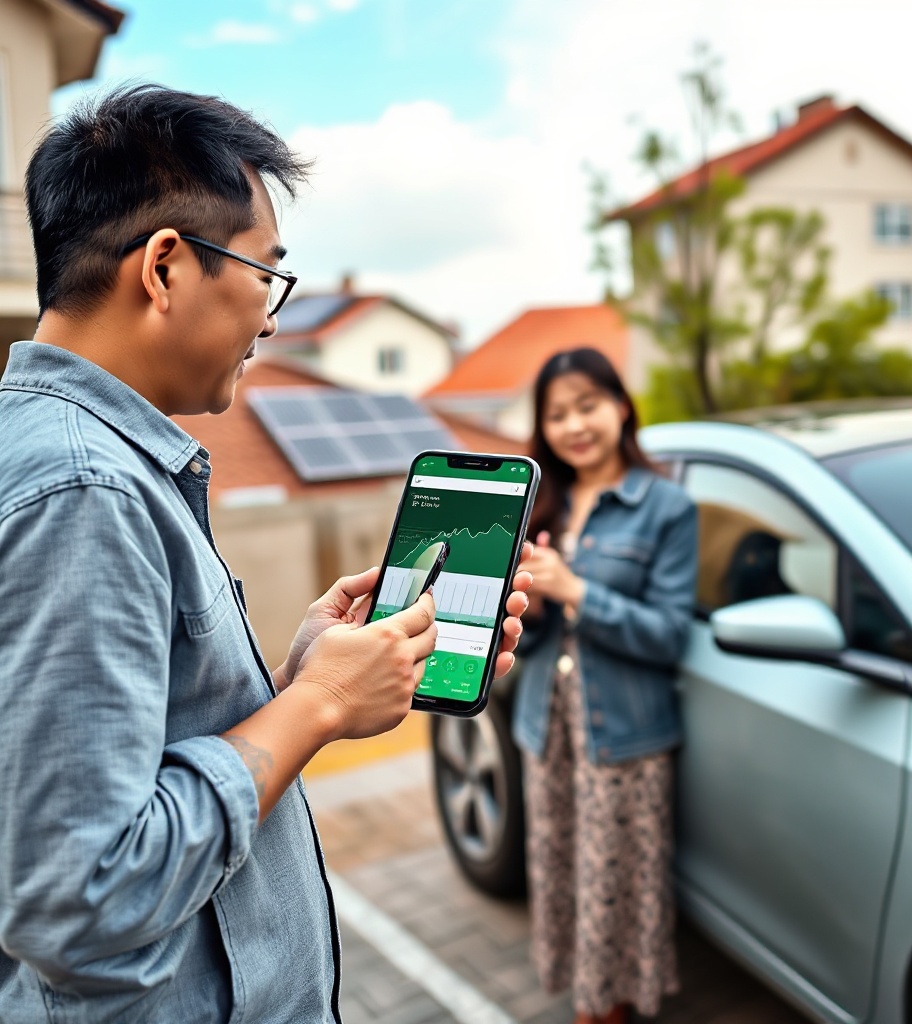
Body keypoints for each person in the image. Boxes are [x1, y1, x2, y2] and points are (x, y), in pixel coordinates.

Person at [0, 84, 530, 1024]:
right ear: (165, 268)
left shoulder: (67, 454)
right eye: (266, 273)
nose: (274, 316)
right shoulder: (84, 490)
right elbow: (76, 894)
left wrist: (293, 681)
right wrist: (319, 708)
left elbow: (132, 747)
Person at [514, 348, 696, 1024]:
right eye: (557, 414)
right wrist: (529, 607)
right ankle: (588, 1005)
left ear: (622, 405)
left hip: (626, 739)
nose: (574, 425)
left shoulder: (667, 507)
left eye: (587, 405)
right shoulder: (542, 506)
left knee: (618, 890)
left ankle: (608, 1012)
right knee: (564, 877)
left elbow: (669, 635)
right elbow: (531, 639)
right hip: (547, 729)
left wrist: (577, 591)